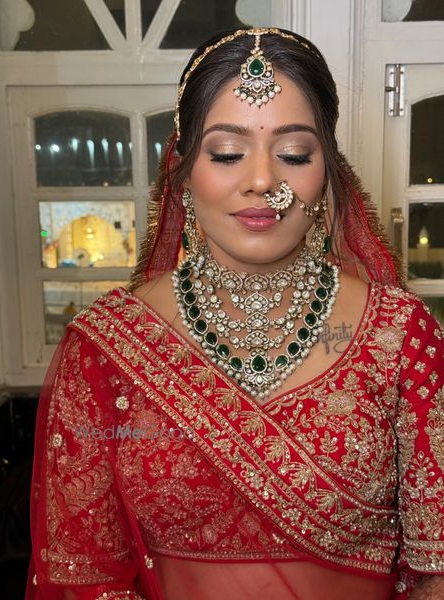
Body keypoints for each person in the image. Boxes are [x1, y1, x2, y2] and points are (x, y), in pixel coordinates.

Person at [26, 28, 444, 600]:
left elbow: (437, 566)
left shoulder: (399, 335)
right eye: (226, 153)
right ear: (182, 169)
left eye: (294, 154)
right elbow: (84, 572)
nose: (262, 181)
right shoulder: (108, 348)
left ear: (327, 171)